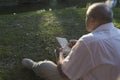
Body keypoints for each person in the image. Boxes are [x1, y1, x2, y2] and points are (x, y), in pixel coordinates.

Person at [22, 2, 120, 80]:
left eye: (86, 17)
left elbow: (64, 74)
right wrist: (79, 45)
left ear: (92, 20)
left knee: (46, 66)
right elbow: (105, 53)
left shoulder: (88, 41)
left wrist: (60, 55)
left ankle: (34, 65)